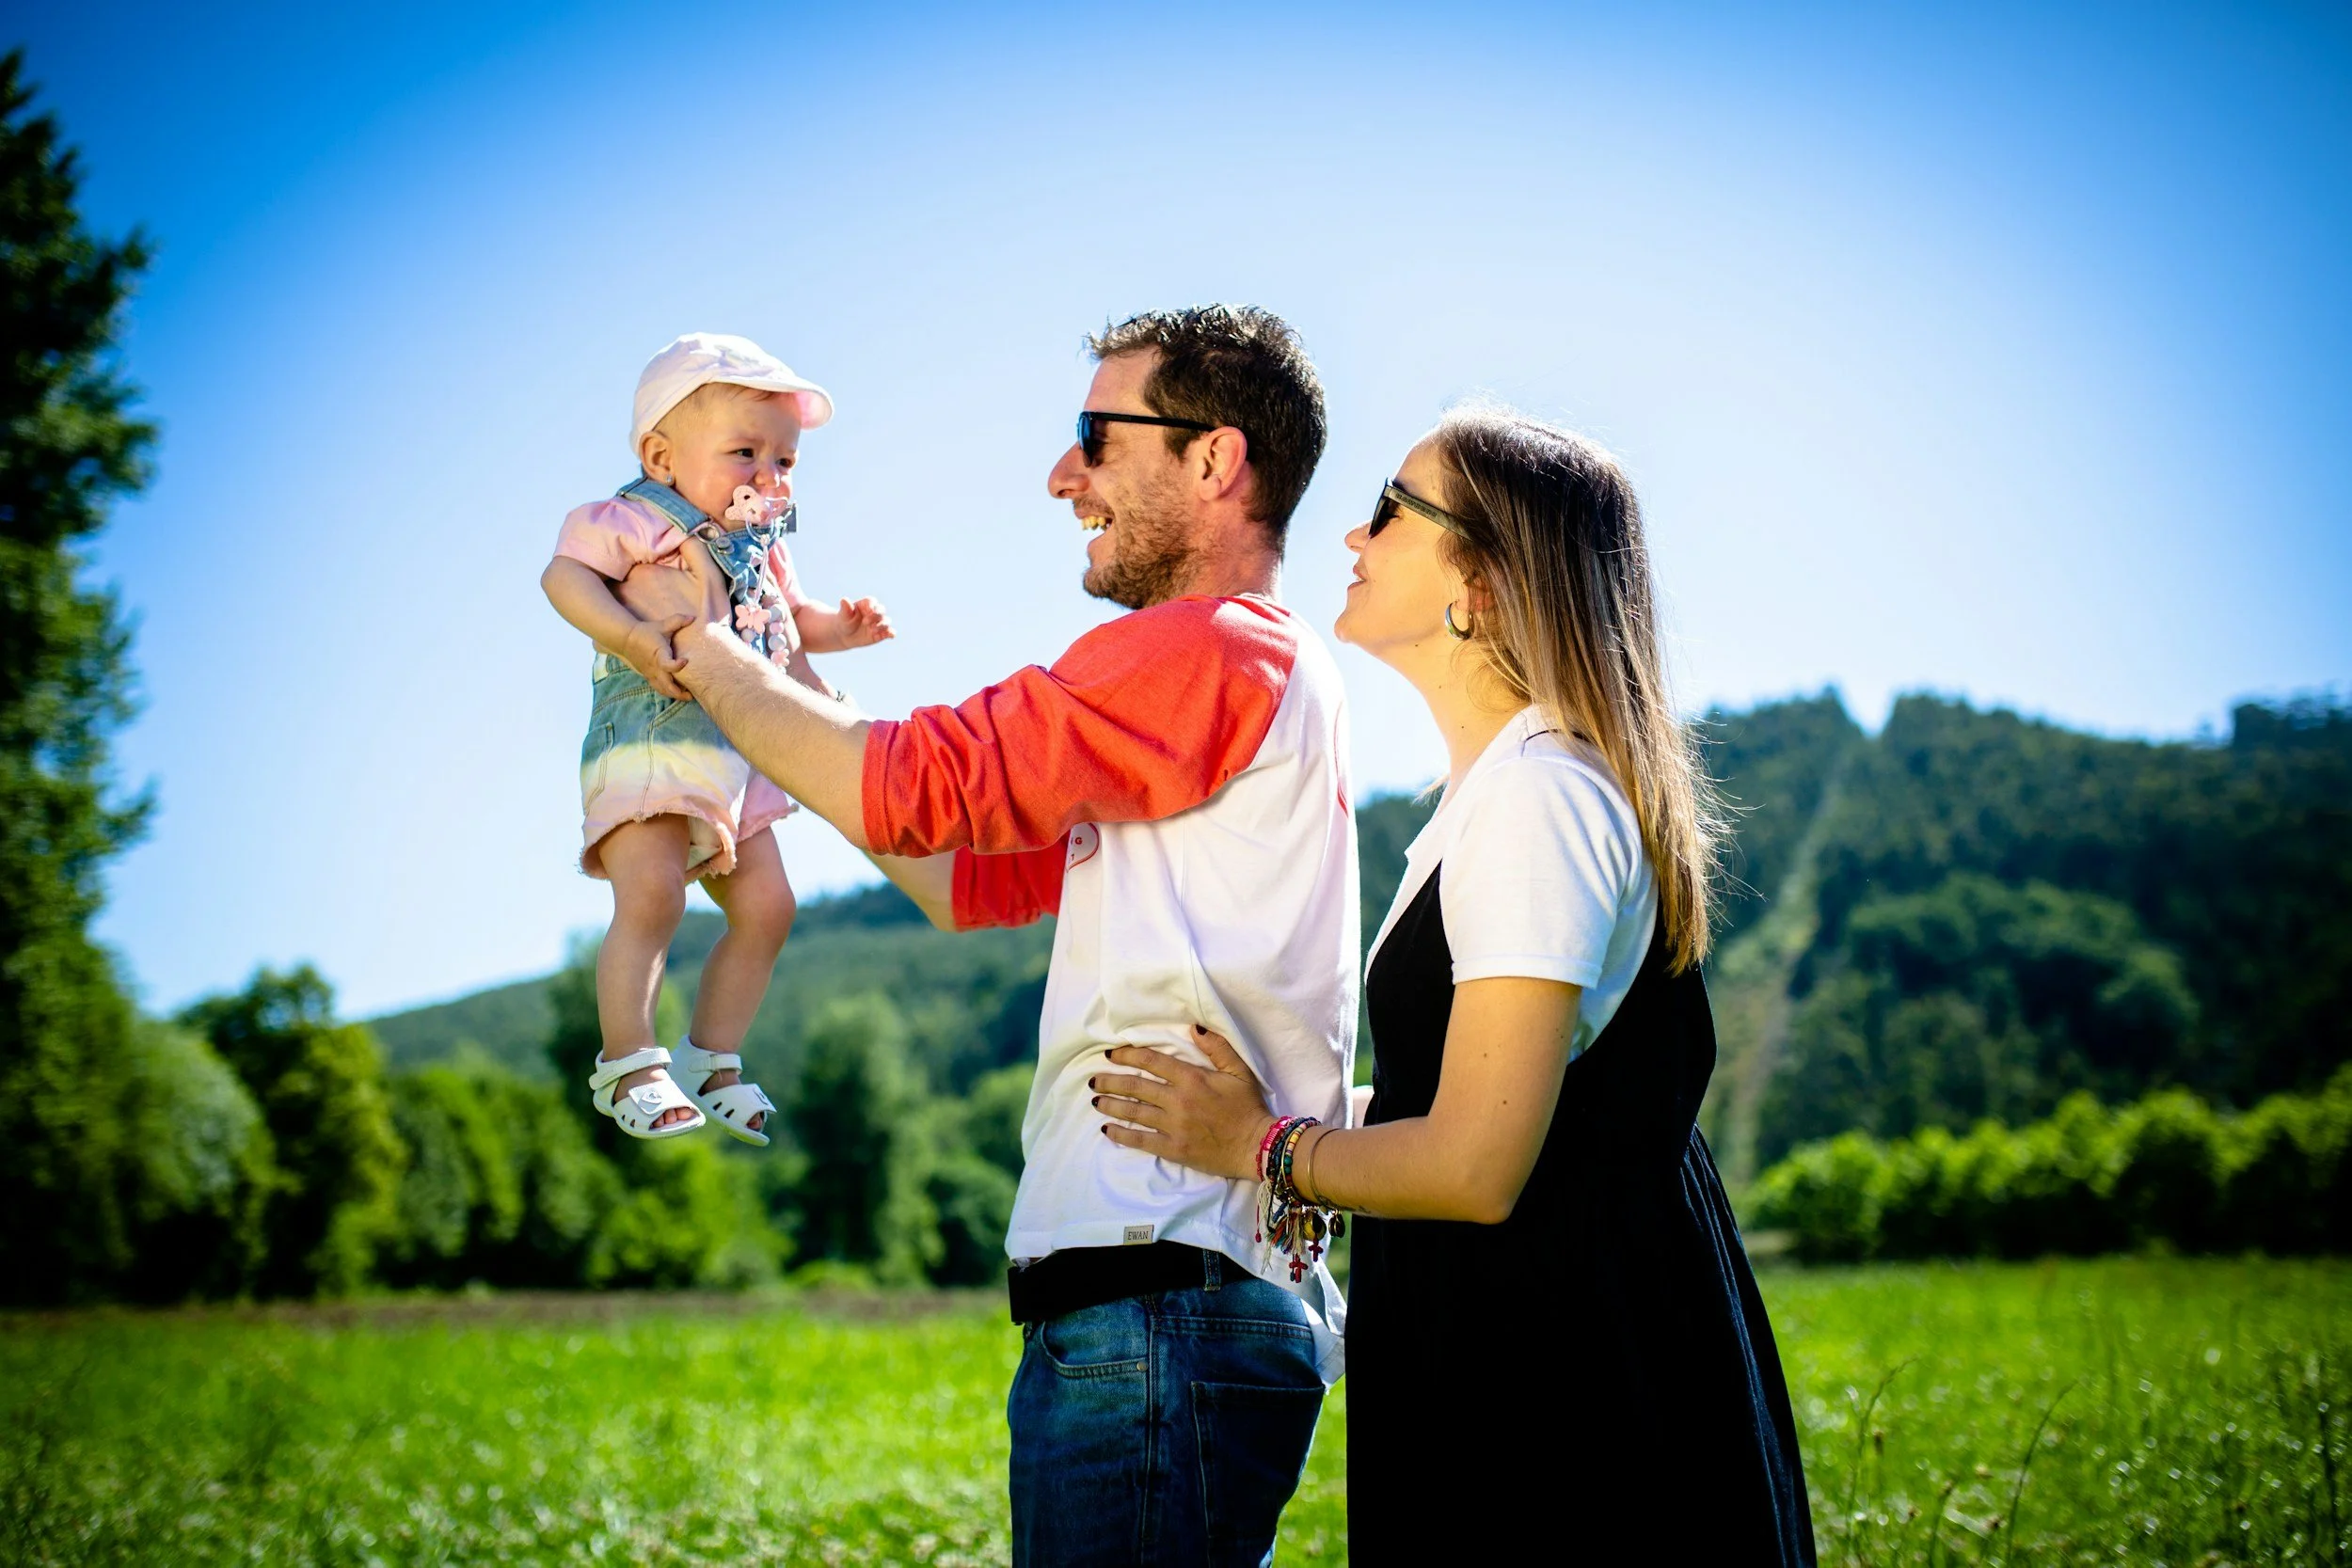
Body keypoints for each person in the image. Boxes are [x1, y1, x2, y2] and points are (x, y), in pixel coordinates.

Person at [624, 305, 1354, 1565]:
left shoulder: (1206, 647)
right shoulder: (1233, 679)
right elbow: (959, 873)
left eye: (1095, 435)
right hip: (1163, 1307)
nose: (1061, 473)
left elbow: (911, 783)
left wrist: (694, 647)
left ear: (1213, 461)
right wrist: (778, 663)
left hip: (1156, 1306)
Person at [1084, 407, 1819, 1563]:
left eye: (1390, 507)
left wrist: (1262, 1146)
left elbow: (1478, 1163)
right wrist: (1319, 1115)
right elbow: (1509, 1106)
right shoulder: (1490, 798)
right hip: (1528, 1352)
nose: (1351, 537)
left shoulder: (1541, 797)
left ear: (1475, 574)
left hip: (1565, 1399)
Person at [540, 333, 895, 1144]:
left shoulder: (765, 549)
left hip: (740, 755)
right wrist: (630, 636)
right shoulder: (631, 518)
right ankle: (629, 1060)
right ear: (662, 456)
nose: (769, 475)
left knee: (771, 906)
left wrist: (843, 626)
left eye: (786, 460)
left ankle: (714, 1055)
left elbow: (788, 624)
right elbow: (565, 576)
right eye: (745, 452)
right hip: (653, 734)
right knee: (654, 894)